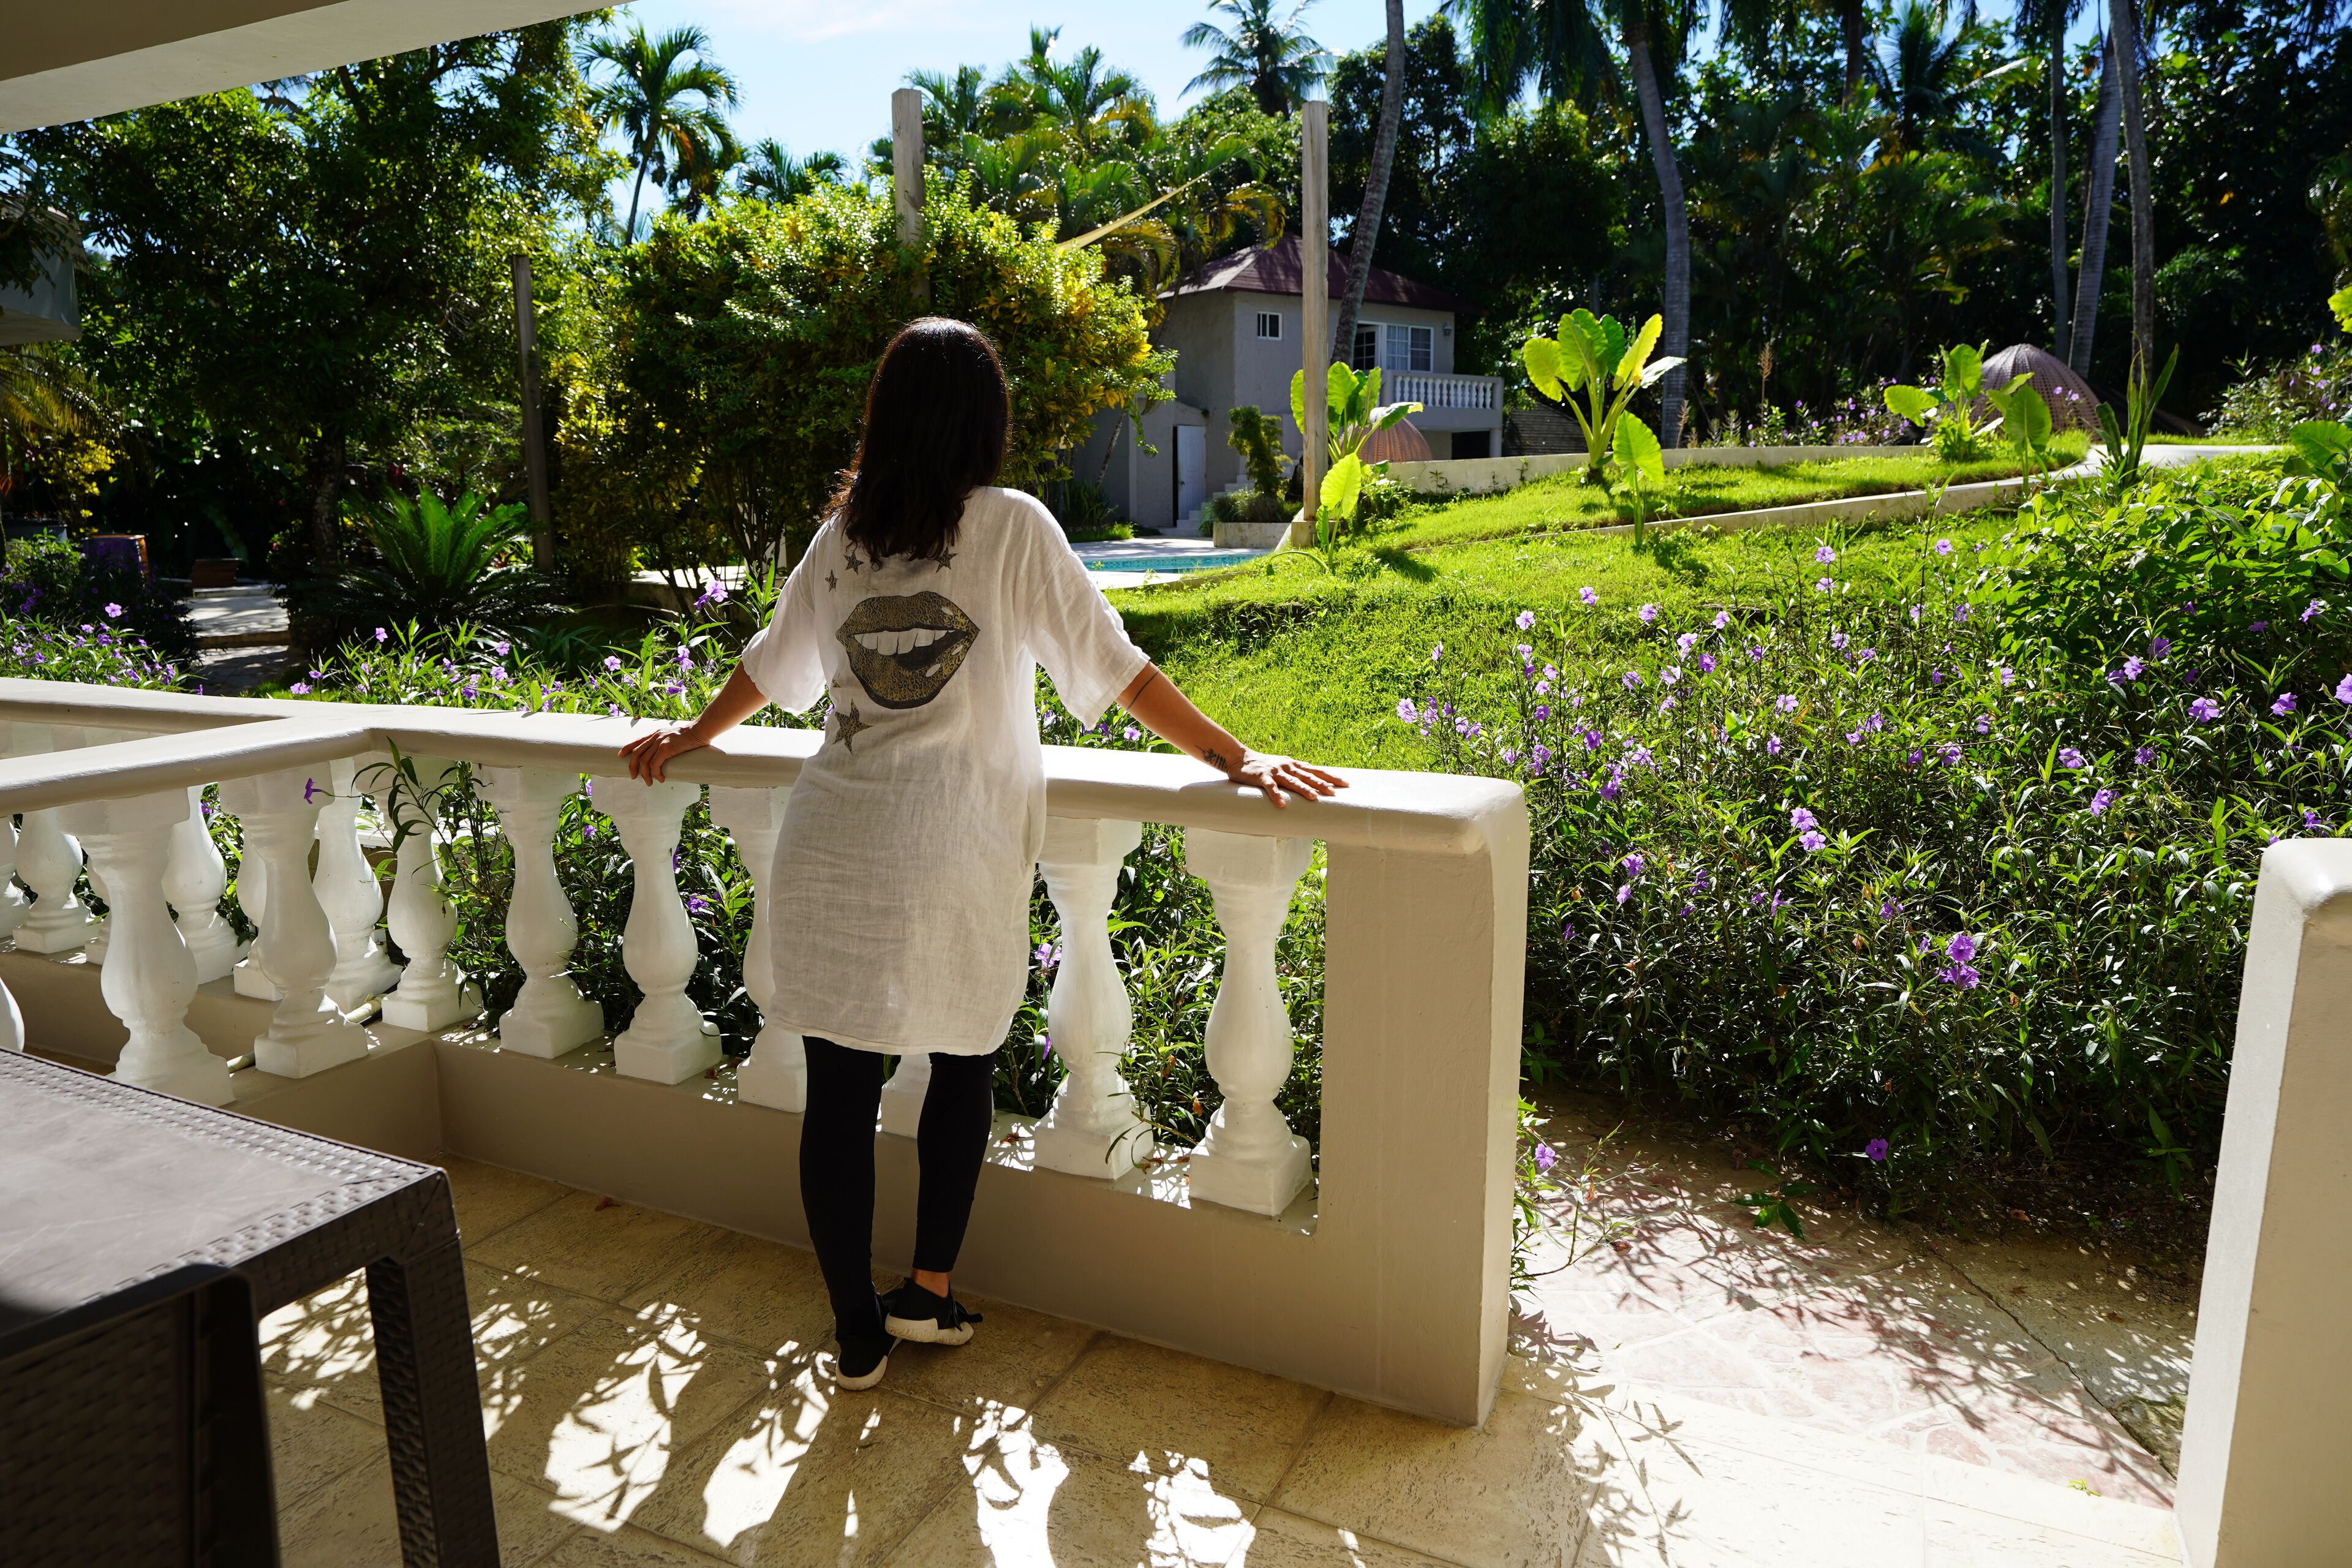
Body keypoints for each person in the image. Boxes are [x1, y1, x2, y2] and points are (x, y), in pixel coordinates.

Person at [619, 317, 1346, 1390]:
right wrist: (1236, 758)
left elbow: (772, 671)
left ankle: (854, 1331)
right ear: (984, 420)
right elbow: (1120, 670)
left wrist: (692, 735)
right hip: (956, 844)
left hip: (832, 842)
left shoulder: (843, 540)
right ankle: (928, 1292)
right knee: (964, 1058)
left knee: (839, 1091)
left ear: (886, 412)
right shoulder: (1010, 527)